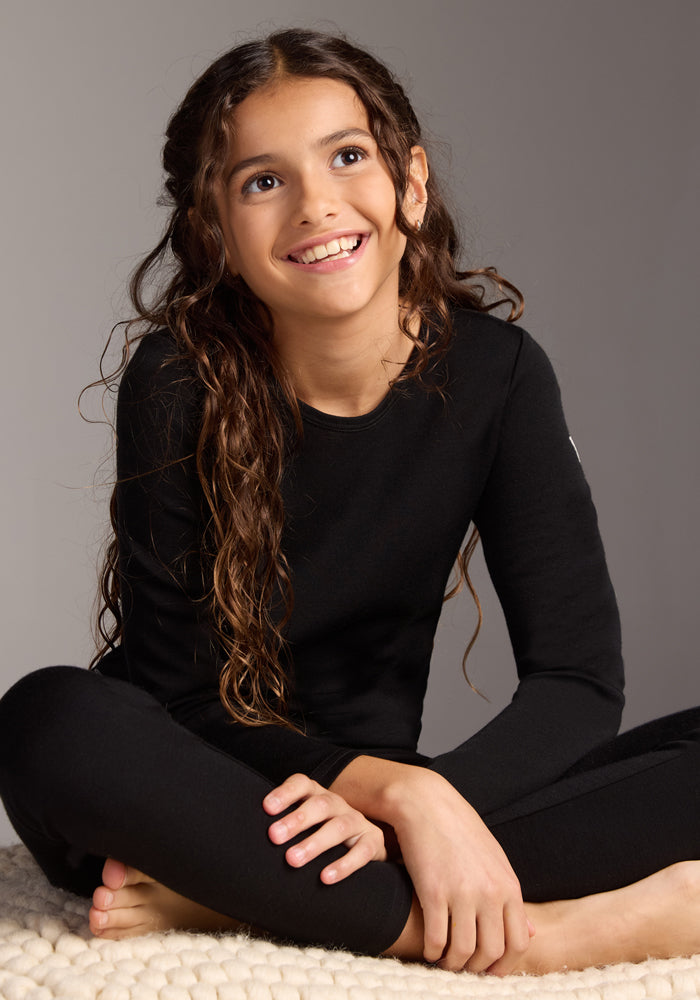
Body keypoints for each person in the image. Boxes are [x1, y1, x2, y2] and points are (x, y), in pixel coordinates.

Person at [0, 28, 698, 977]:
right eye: (261, 181)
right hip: (196, 787)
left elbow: (577, 682)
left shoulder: (499, 378)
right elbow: (182, 696)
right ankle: (522, 938)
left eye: (347, 156)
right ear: (214, 227)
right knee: (51, 719)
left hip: (361, 812)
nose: (315, 204)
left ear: (410, 182)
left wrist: (434, 796)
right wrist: (393, 797)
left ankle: (234, 899)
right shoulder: (177, 380)